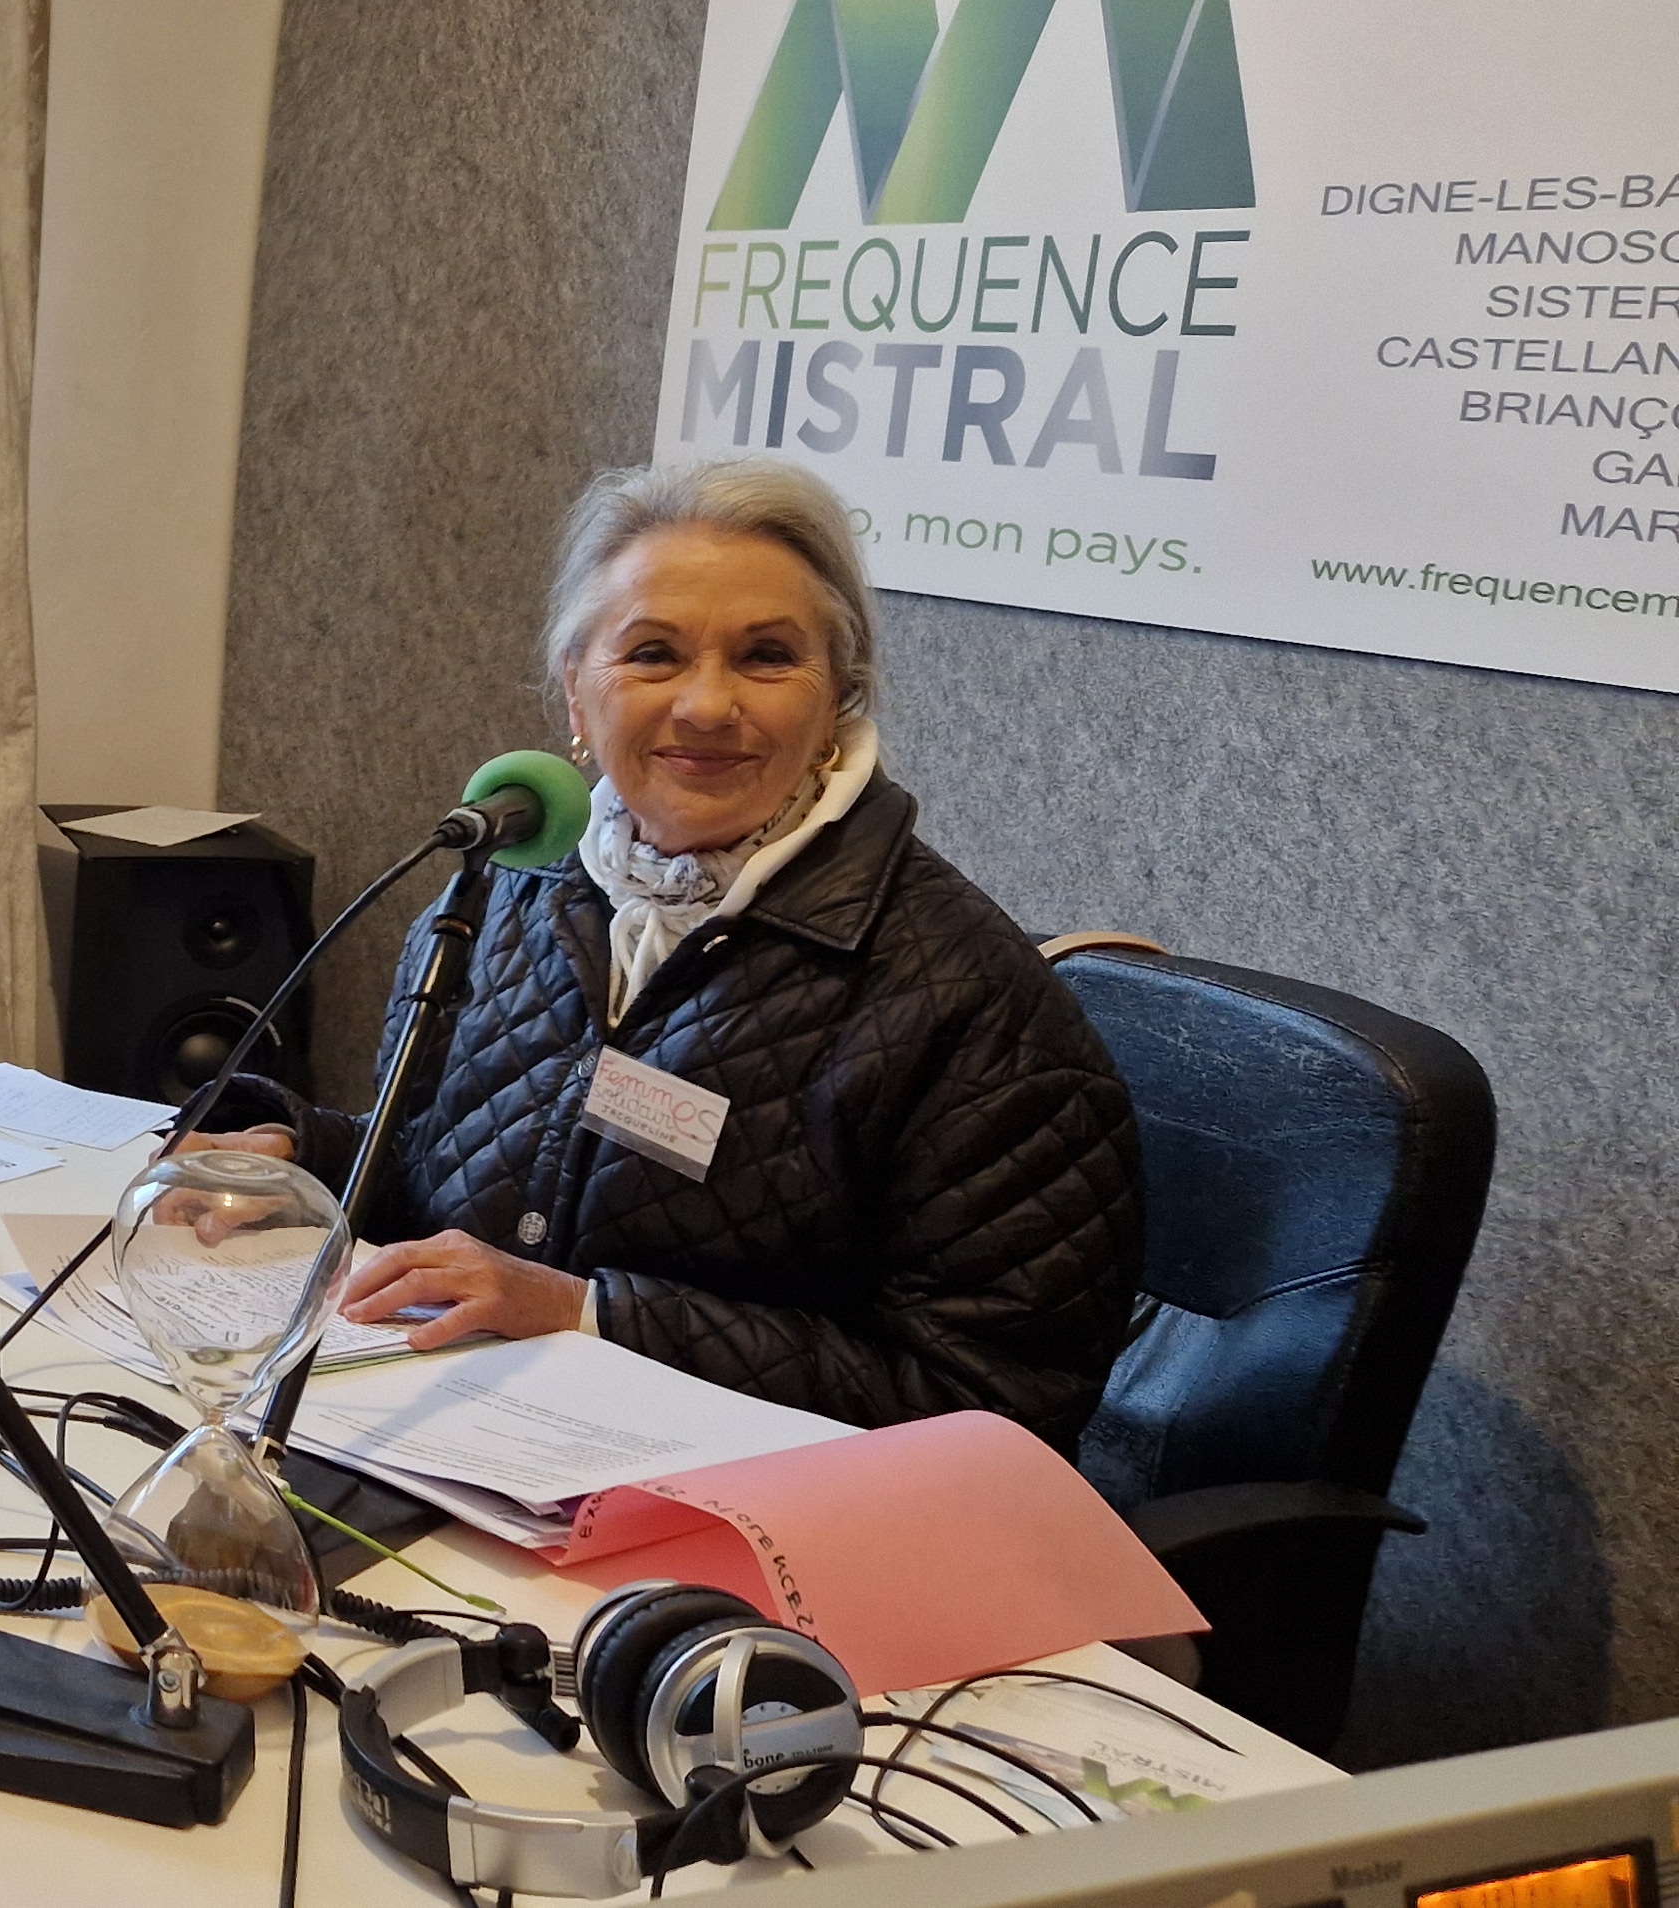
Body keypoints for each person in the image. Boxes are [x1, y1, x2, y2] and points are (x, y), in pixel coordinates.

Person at [194, 458, 1142, 1446]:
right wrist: (303, 1155)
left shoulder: (975, 1005)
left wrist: (593, 1313)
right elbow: (461, 1173)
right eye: (652, 653)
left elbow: (994, 1406)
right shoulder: (511, 885)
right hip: (473, 1442)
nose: (703, 705)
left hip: (768, 1521)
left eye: (766, 656)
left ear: (840, 700)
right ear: (575, 691)